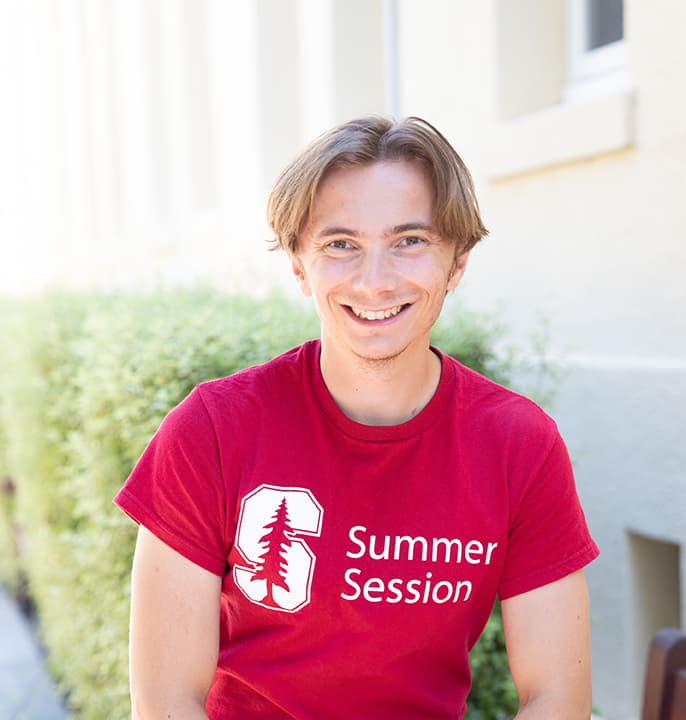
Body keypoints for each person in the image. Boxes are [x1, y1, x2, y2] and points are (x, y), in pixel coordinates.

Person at [115, 115, 599, 720]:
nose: (374, 281)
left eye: (410, 242)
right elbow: (165, 705)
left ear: (457, 264)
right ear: (299, 266)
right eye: (340, 244)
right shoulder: (212, 429)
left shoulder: (517, 444)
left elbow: (557, 697)